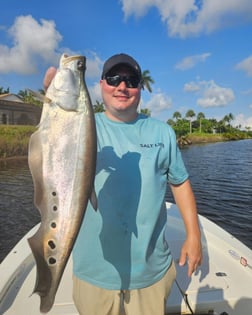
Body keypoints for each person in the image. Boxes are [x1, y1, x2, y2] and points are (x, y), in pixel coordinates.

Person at [44, 53, 202, 315]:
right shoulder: (82, 124)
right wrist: (53, 109)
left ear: (140, 87)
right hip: (93, 272)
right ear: (101, 84)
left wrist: (193, 235)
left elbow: (180, 182)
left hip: (150, 272)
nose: (122, 86)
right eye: (114, 78)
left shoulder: (162, 132)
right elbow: (52, 152)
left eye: (131, 80)